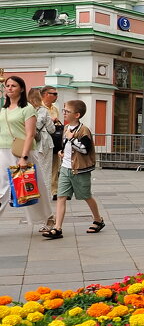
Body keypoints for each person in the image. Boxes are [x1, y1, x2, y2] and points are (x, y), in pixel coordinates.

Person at [42, 99, 105, 240]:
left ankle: (98, 220)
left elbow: (84, 149)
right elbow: (67, 146)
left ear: (77, 115)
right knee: (61, 197)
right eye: (64, 110)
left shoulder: (84, 130)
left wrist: (71, 139)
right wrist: (62, 152)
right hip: (65, 168)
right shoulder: (66, 128)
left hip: (80, 170)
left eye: (67, 111)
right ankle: (57, 228)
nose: (64, 113)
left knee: (86, 196)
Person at [1, 76, 51, 231]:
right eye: (7, 85)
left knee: (33, 187)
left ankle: (48, 219)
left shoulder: (27, 109)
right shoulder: (3, 109)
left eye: (13, 85)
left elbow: (30, 134)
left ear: (21, 89)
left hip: (22, 152)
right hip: (3, 151)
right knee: (2, 188)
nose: (9, 88)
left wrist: (23, 157)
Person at [26, 88, 56, 232]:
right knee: (45, 176)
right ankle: (48, 215)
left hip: (29, 146)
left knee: (33, 178)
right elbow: (51, 129)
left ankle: (42, 215)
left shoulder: (25, 109)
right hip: (43, 145)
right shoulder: (43, 111)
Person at [41, 85, 62, 199]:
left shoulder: (55, 109)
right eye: (54, 94)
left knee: (55, 165)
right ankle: (44, 189)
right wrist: (50, 121)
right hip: (42, 142)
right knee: (44, 166)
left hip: (54, 140)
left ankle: (54, 190)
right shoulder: (39, 107)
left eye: (56, 94)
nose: (56, 96)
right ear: (45, 95)